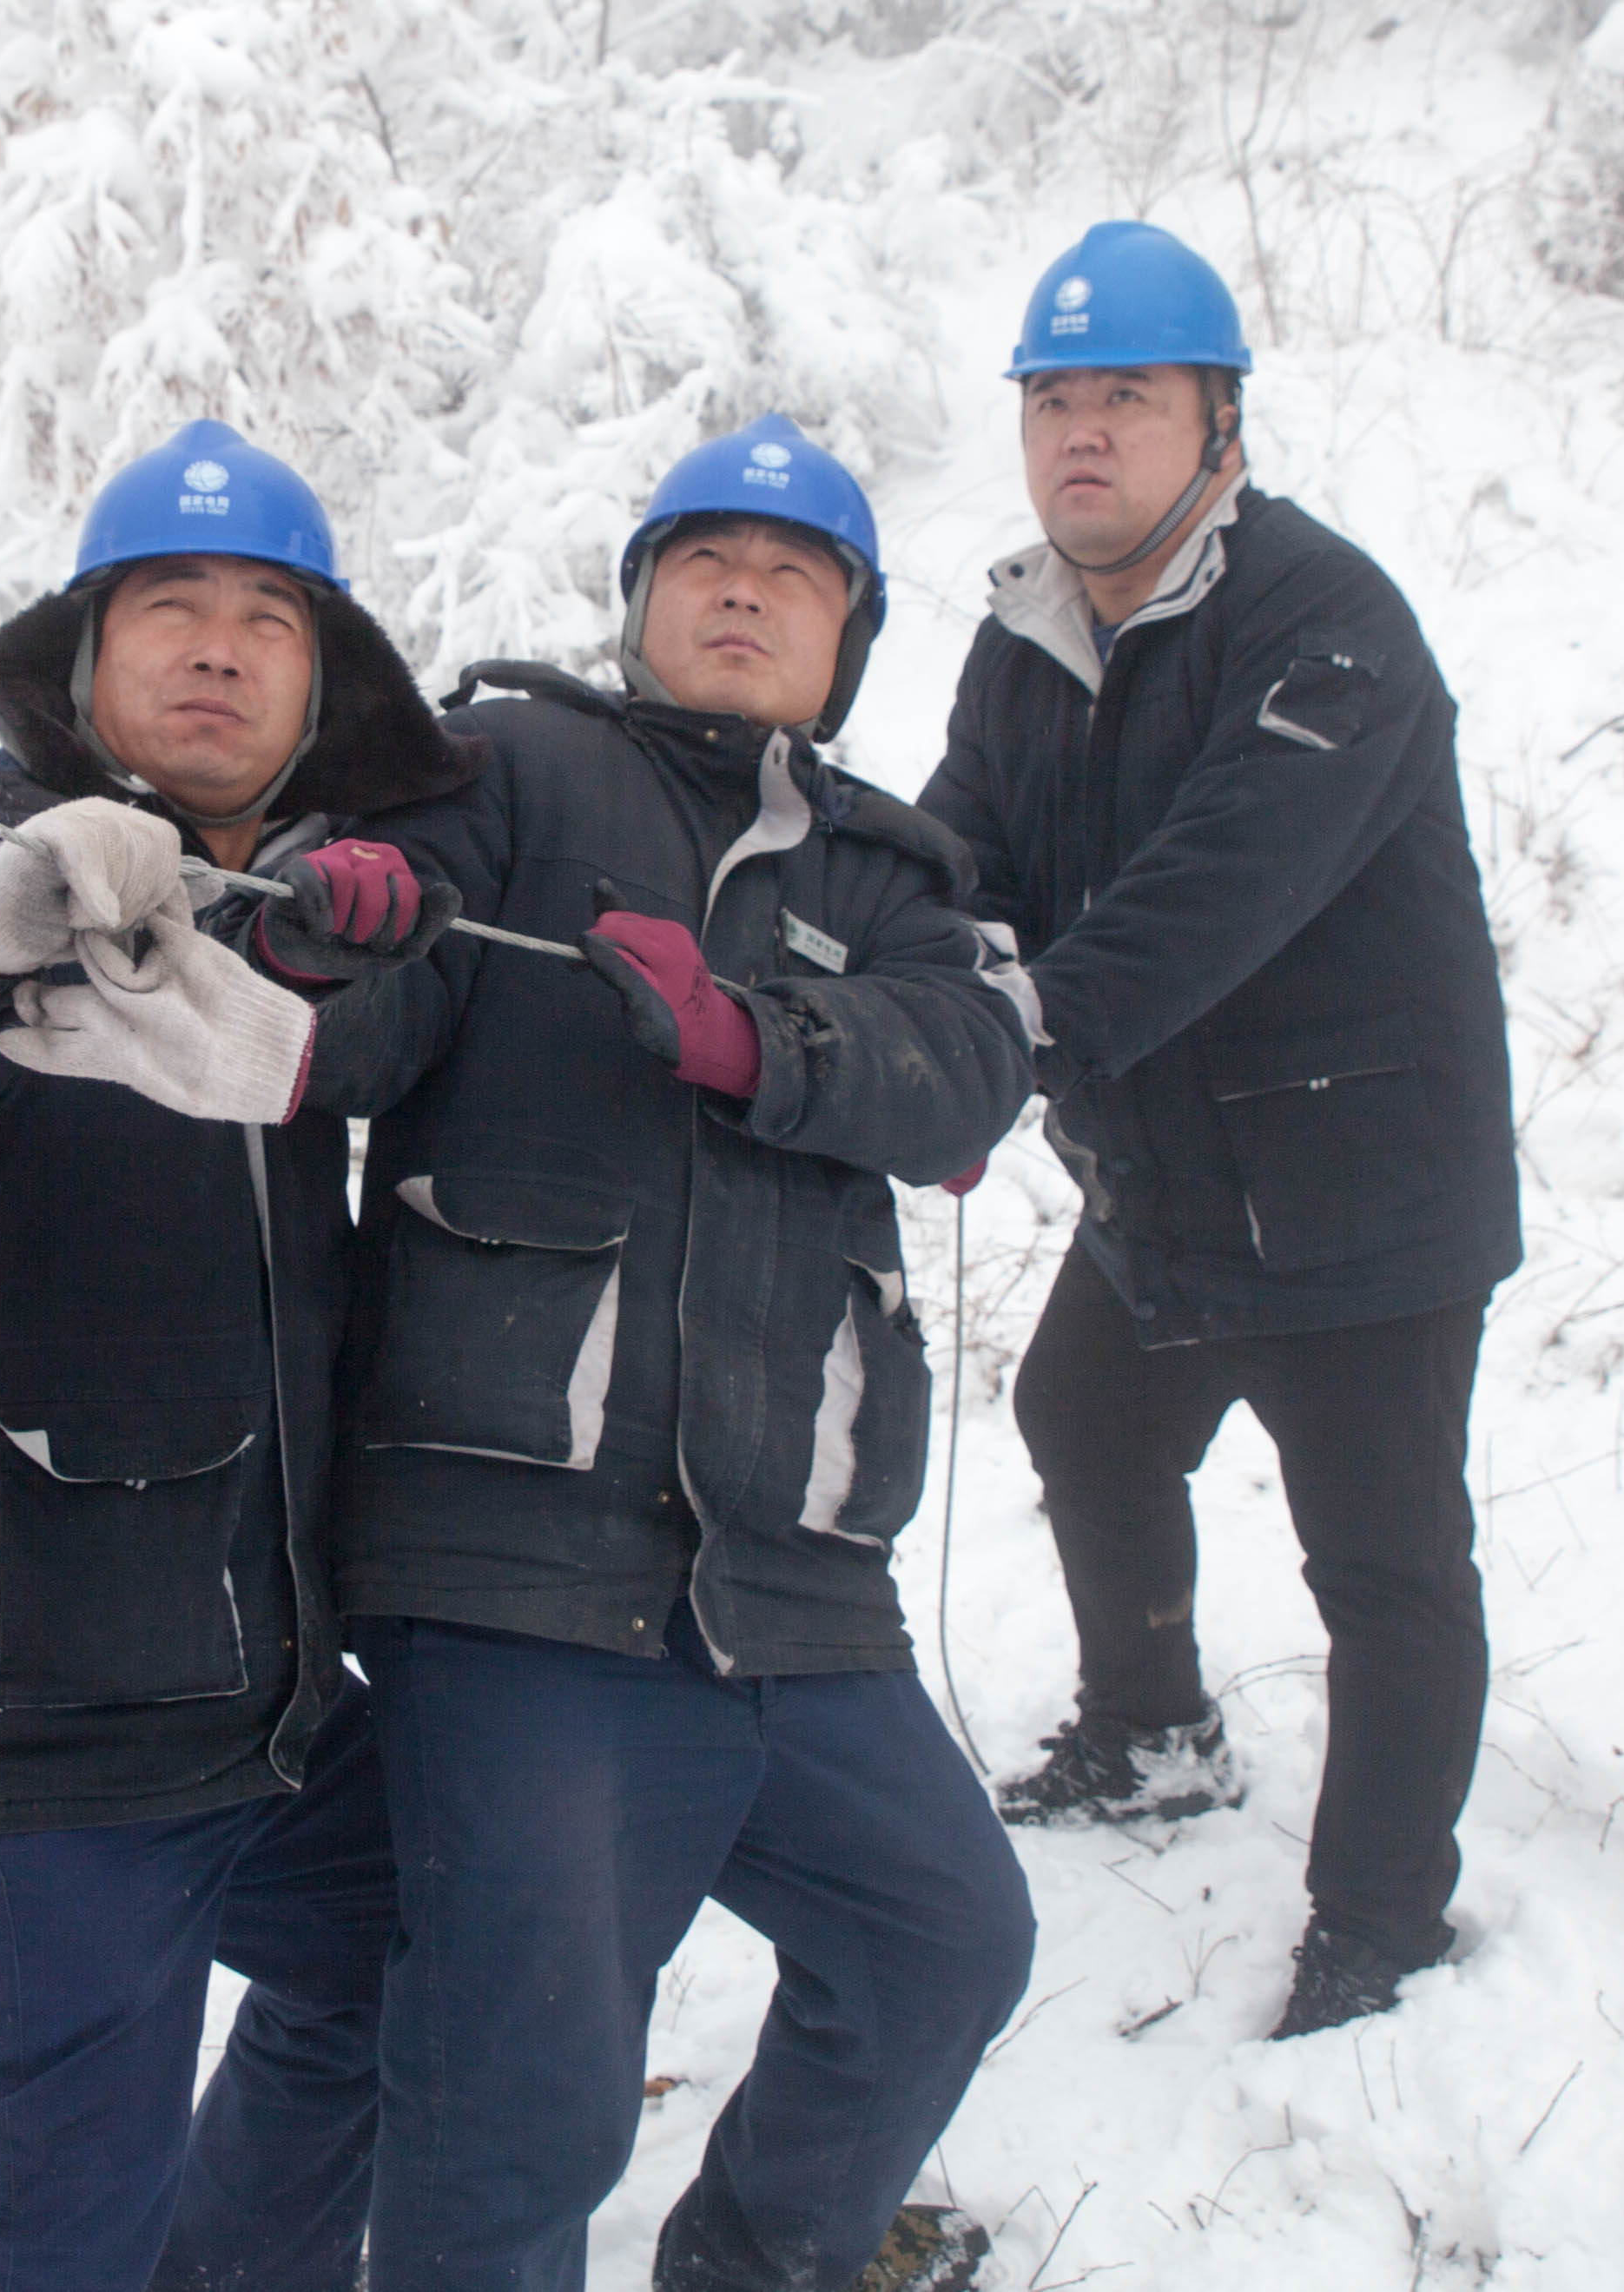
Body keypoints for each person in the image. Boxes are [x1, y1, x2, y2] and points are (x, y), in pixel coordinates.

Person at [296, 412, 1042, 2292]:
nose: (740, 588)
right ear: (638, 599)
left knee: (940, 1940)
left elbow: (963, 1076)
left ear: (844, 642)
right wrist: (340, 932)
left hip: (788, 1580)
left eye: (792, 573)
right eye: (703, 558)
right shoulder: (504, 768)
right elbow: (365, 1033)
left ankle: (745, 2263)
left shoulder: (891, 866)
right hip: (521, 1561)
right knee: (521, 2086)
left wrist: (752, 1038)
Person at [0, 419, 471, 2292]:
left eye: (266, 615)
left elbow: (399, 1025)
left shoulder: (289, 924)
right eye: (167, 606)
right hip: (37, 1711)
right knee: (42, 2235)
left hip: (266, 1698)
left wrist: (347, 962)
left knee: (416, 1960)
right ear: (82, 664)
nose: (216, 643)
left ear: (317, 683)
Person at [916, 222, 1519, 2038]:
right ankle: (1152, 1727)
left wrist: (1003, 1030)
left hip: (1356, 1204)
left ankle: (1379, 1914)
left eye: (1126, 394)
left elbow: (1213, 892)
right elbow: (957, 861)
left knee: (1384, 1565)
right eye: (1050, 397)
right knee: (1081, 1416)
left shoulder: (1322, 621)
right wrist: (876, 991)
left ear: (1217, 421)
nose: (1080, 431)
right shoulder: (1024, 634)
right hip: (1165, 1183)